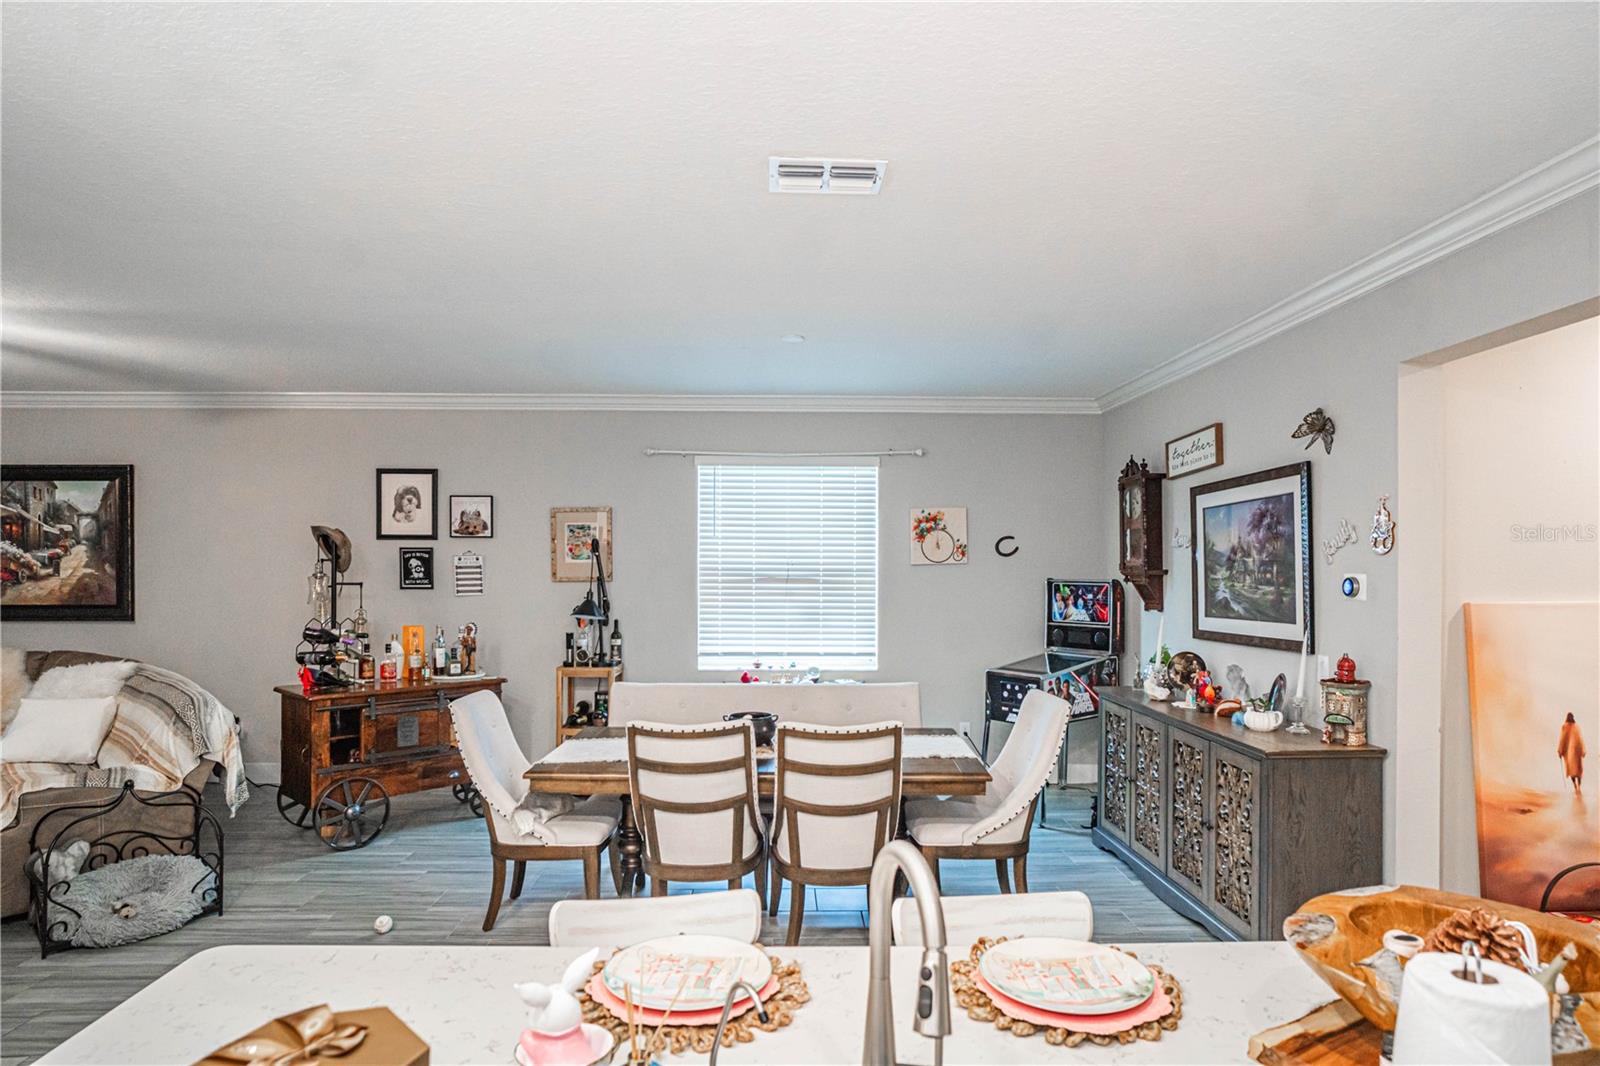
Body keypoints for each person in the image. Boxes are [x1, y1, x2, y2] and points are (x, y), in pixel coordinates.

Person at [1558, 712, 1586, 795]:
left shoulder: (1567, 727)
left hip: (1570, 753)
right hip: (1575, 752)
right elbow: (1580, 739)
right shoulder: (1574, 727)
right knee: (1577, 771)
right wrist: (1583, 750)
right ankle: (1577, 786)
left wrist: (1560, 750)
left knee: (1572, 771)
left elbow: (1562, 740)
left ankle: (1576, 786)